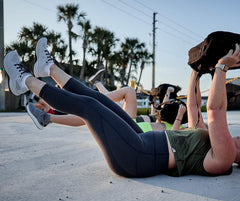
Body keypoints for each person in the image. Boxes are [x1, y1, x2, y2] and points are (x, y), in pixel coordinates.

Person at [4, 37, 240, 178]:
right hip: (140, 140)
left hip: (135, 156)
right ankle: (48, 67)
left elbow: (216, 110)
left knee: (89, 107)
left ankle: (23, 80)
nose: (239, 137)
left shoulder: (225, 157)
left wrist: (222, 68)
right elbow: (193, 104)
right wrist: (197, 71)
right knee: (102, 100)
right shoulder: (211, 141)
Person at [26, 68, 186, 131]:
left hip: (130, 130)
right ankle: (48, 117)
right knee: (128, 91)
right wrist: (169, 95)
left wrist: (180, 115)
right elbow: (162, 105)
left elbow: (193, 126)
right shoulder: (160, 117)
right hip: (130, 122)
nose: (165, 105)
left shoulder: (175, 128)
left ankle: (48, 117)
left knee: (90, 110)